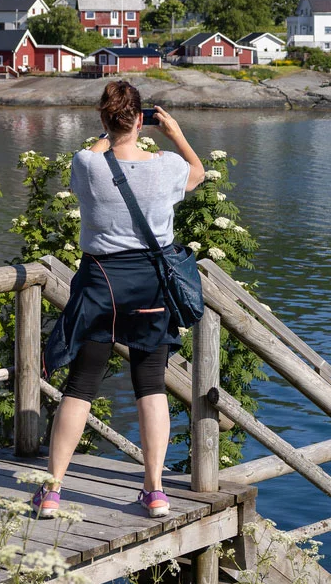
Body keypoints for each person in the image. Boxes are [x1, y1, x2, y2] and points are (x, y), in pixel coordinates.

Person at [37, 80, 207, 518]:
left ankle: (52, 490)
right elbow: (198, 174)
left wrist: (108, 134)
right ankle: (154, 491)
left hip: (100, 285)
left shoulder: (87, 164)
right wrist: (174, 132)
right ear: (140, 120)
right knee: (150, 386)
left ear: (104, 118)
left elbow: (94, 155)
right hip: (150, 285)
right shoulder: (167, 165)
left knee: (80, 386)